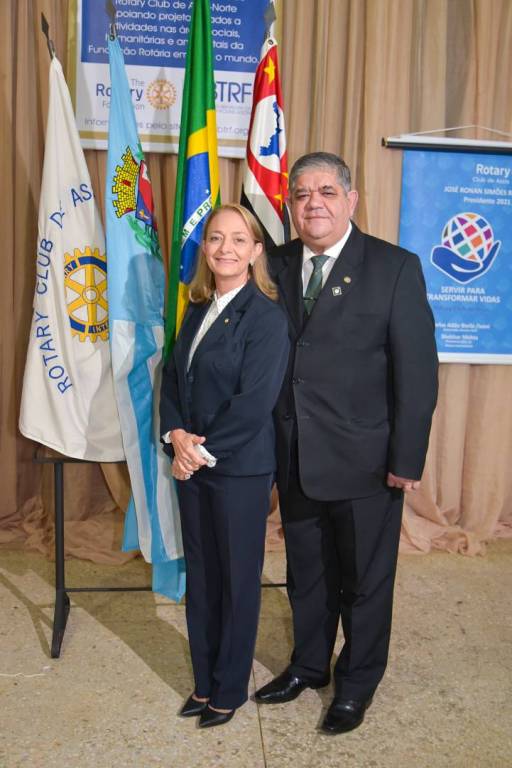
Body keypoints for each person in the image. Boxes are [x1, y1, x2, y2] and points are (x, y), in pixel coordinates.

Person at [254, 152, 438, 734]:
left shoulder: (394, 267)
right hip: (294, 456)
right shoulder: (272, 263)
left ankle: (356, 684)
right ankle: (309, 666)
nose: (314, 204)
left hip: (367, 463)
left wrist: (406, 459)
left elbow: (418, 374)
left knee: (364, 582)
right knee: (307, 575)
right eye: (302, 194)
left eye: (327, 192)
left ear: (351, 200)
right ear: (290, 204)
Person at [160, 203, 289, 729]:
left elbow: (254, 404)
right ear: (205, 249)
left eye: (238, 239)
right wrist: (174, 435)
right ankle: (204, 680)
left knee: (236, 581)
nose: (225, 248)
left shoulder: (267, 318)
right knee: (202, 576)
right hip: (191, 466)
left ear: (256, 251)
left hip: (237, 471)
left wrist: (196, 453)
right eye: (216, 238)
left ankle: (229, 688)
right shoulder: (197, 308)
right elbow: (173, 379)